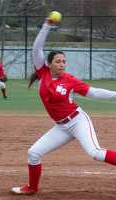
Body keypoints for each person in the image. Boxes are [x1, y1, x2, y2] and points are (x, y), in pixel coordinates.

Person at [11, 16, 116, 195]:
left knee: (95, 153)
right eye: (58, 61)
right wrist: (46, 26)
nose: (62, 64)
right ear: (49, 63)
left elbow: (94, 92)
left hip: (78, 121)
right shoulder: (43, 72)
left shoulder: (69, 80)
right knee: (33, 153)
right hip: (61, 127)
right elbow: (36, 48)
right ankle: (32, 188)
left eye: (64, 61)